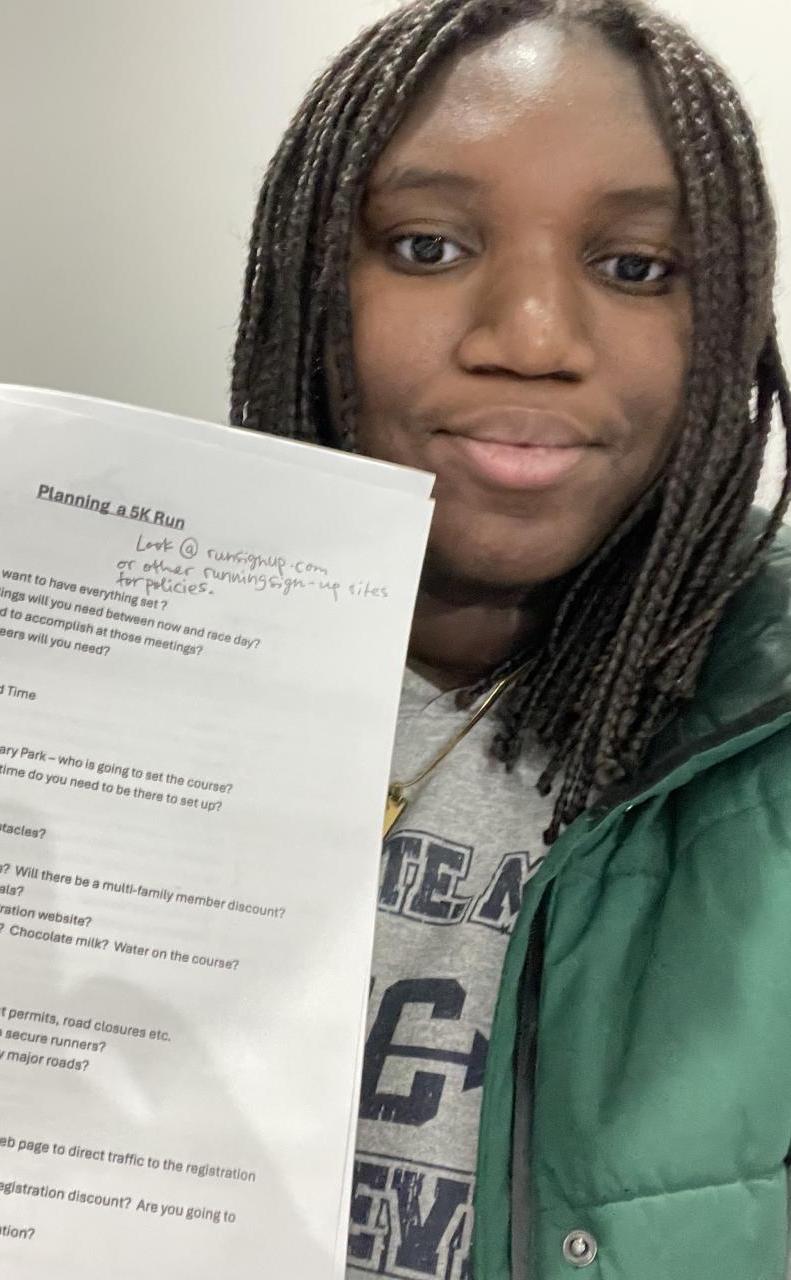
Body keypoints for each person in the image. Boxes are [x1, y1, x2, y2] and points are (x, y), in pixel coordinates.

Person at [231, 0, 791, 1277]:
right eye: (427, 246)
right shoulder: (91, 665)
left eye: (636, 267)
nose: (532, 340)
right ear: (304, 285)